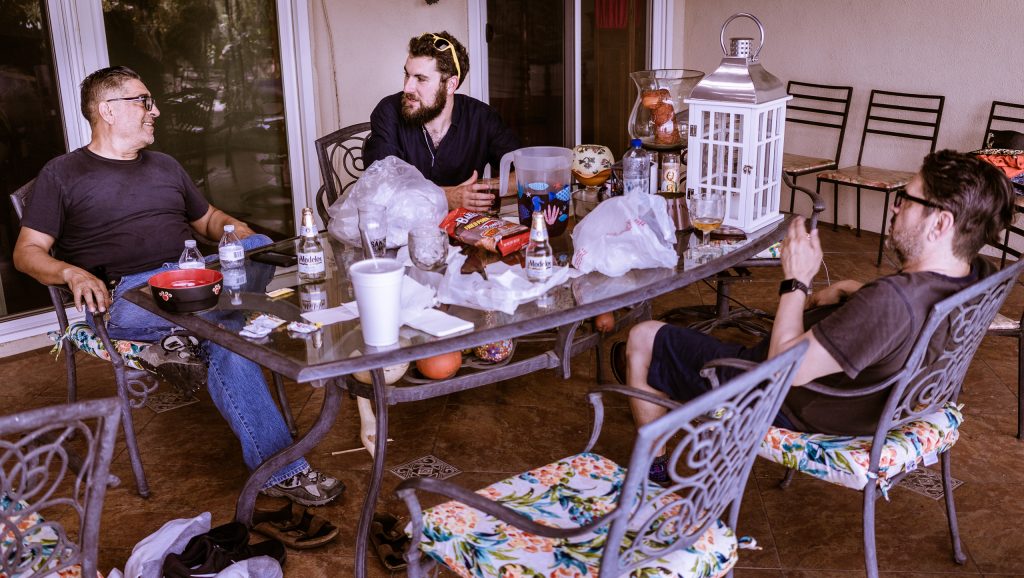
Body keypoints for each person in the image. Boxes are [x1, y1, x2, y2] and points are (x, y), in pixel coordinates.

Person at [13, 66, 344, 507]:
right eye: (144, 101)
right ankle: (201, 332)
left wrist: (234, 228)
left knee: (261, 247)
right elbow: (27, 251)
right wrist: (72, 273)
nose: (157, 111)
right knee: (228, 335)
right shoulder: (63, 174)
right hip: (131, 295)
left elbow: (207, 220)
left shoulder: (165, 165)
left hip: (198, 277)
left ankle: (183, 341)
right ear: (107, 110)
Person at [619, 150, 1014, 483]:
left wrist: (797, 280)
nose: (894, 207)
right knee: (681, 348)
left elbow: (779, 370)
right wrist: (853, 289)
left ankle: (654, 473)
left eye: (906, 200)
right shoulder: (977, 273)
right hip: (881, 399)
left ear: (941, 222)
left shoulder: (891, 302)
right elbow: (912, 316)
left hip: (795, 402)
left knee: (643, 337)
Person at [363, 31, 520, 213]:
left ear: (451, 85)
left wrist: (482, 187)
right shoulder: (388, 111)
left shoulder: (481, 117)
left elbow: (528, 173)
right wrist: (447, 197)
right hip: (403, 229)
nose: (407, 87)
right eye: (407, 75)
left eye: (420, 79)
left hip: (464, 230)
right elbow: (380, 187)